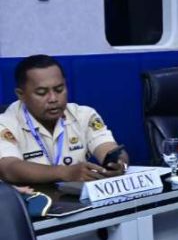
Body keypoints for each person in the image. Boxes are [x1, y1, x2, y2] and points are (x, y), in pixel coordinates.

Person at [0, 54, 129, 185]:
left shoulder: (84, 115)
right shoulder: (5, 123)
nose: (53, 99)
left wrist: (119, 164)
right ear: (21, 95)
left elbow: (107, 147)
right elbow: (8, 168)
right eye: (42, 93)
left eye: (59, 89)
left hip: (73, 196)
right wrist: (65, 173)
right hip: (29, 196)